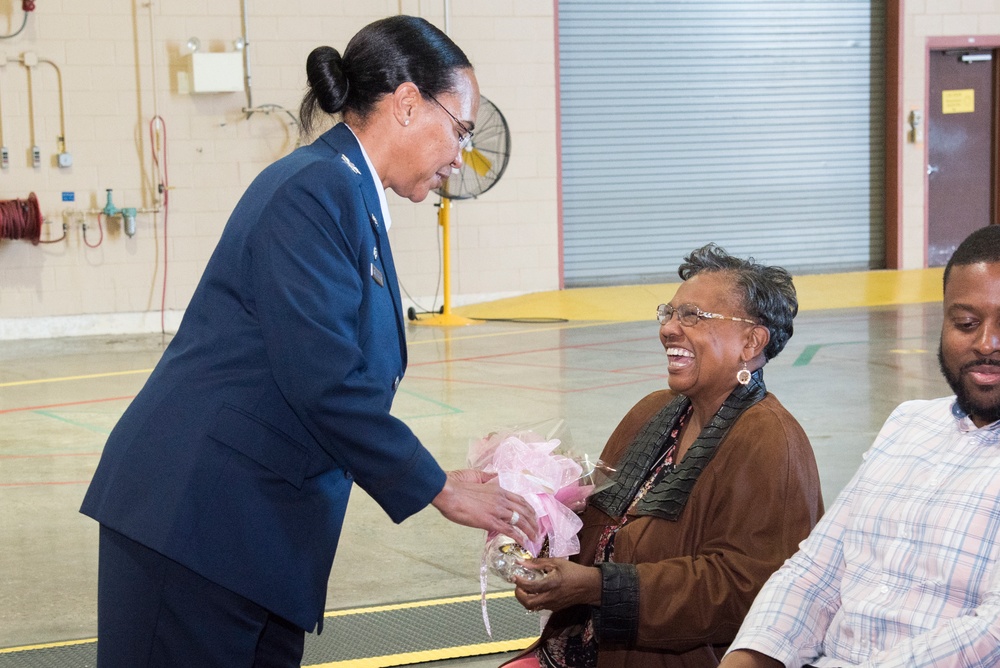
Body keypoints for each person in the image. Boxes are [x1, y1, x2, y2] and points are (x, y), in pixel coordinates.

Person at [79, 15, 537, 667]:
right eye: (460, 130)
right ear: (408, 103)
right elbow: (323, 379)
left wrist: (442, 476)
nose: (462, 155)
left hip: (259, 534)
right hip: (197, 521)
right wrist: (439, 488)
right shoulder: (313, 191)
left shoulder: (352, 197)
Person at [506, 243, 824, 668]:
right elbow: (597, 524)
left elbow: (746, 588)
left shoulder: (771, 441)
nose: (669, 329)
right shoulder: (653, 411)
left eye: (693, 316)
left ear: (751, 341)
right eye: (669, 313)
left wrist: (598, 588)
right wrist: (538, 524)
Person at [720, 224, 1000, 668]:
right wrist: (750, 658)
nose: (986, 343)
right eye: (966, 323)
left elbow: (991, 634)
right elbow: (817, 570)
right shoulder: (908, 424)